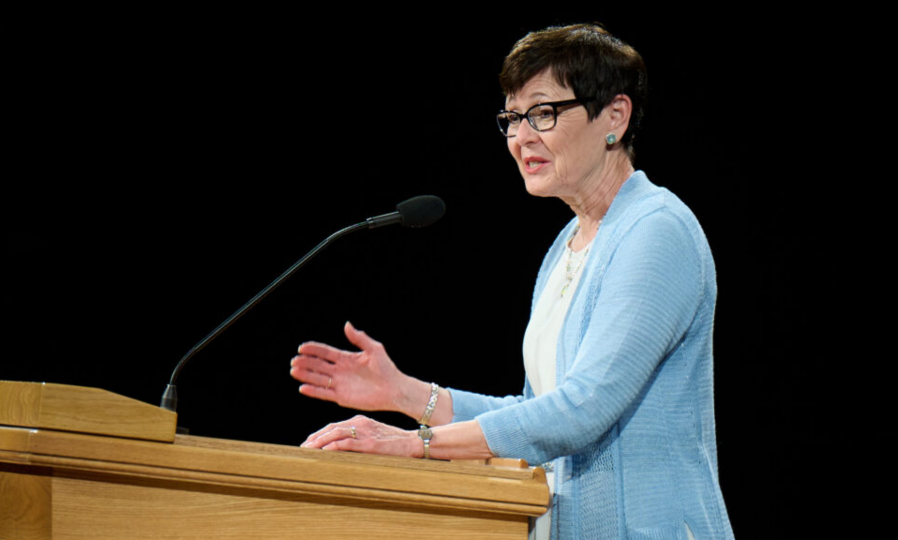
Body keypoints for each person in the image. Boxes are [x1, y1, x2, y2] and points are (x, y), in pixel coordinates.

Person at [291, 23, 734, 540]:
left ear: (615, 115)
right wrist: (407, 394)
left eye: (543, 113)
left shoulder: (656, 231)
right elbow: (536, 410)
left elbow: (582, 409)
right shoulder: (567, 246)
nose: (521, 137)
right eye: (512, 118)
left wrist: (415, 444)